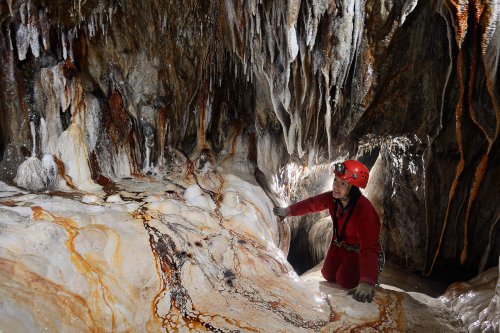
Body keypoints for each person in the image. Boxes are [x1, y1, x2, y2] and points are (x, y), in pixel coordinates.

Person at [273, 160, 381, 303]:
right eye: (335, 180)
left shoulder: (364, 210)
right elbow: (311, 204)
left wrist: (367, 282)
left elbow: (369, 248)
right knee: (328, 274)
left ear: (353, 187)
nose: (336, 186)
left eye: (343, 183)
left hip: (356, 252)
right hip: (338, 247)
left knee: (345, 280)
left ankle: (361, 275)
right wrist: (287, 211)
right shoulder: (333, 199)